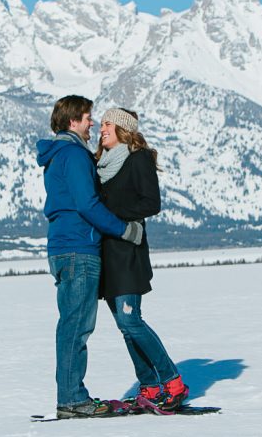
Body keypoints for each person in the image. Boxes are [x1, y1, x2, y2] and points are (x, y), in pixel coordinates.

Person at [36, 95, 145, 419]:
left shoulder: (58, 155)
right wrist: (124, 230)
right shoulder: (74, 154)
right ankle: (72, 399)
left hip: (63, 247)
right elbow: (87, 204)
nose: (92, 124)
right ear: (73, 121)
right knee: (76, 327)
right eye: (87, 118)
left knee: (72, 324)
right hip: (79, 248)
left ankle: (71, 396)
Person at [95, 108, 189, 410]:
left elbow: (152, 203)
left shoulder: (138, 158)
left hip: (128, 251)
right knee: (125, 325)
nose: (101, 128)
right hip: (106, 254)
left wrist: (114, 219)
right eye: (101, 124)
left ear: (123, 129)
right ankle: (148, 385)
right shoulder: (101, 164)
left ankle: (172, 381)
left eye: (108, 123)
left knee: (130, 319)